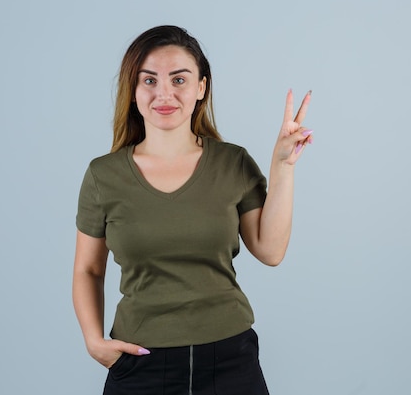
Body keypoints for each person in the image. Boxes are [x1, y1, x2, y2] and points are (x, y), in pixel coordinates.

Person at [72, 25, 313, 395]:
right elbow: (88, 270)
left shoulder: (233, 163)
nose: (164, 93)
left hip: (230, 360)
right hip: (140, 364)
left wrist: (283, 166)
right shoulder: (104, 175)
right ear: (133, 92)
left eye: (179, 79)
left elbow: (270, 250)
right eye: (149, 80)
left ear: (201, 87)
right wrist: (93, 341)